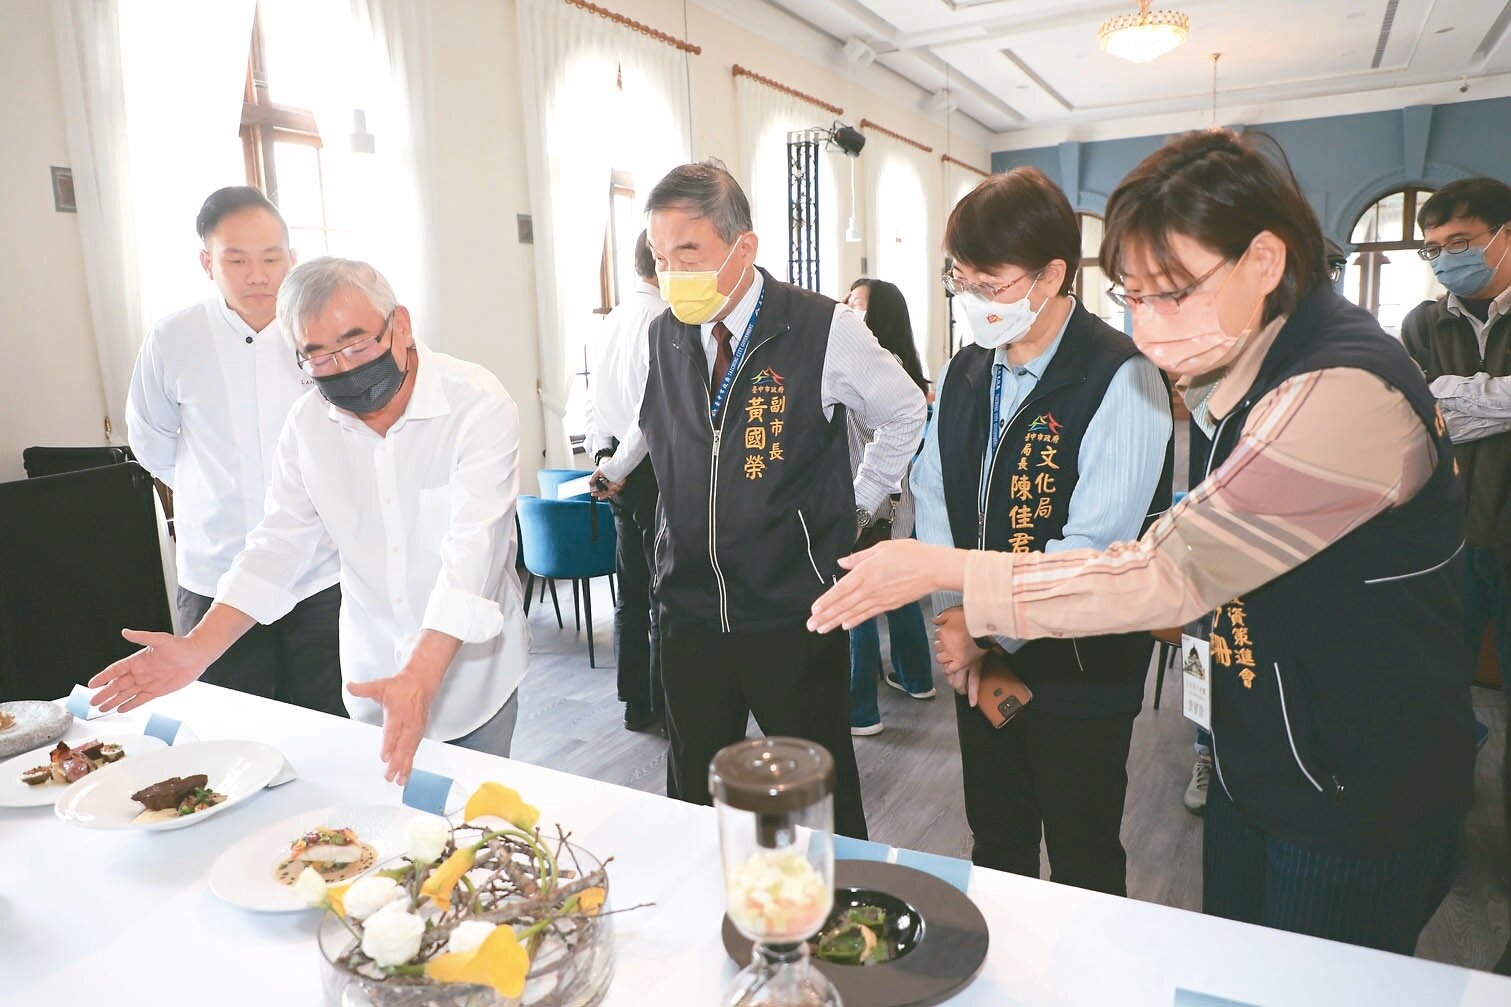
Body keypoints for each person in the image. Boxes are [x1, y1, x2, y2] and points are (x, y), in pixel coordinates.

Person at [809, 129, 1476, 956]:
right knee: (1227, 967)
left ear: (1263, 261)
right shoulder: (1242, 369)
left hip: (1349, 784)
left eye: (1170, 294)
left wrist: (943, 575)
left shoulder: (1338, 389)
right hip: (1263, 754)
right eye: (1132, 295)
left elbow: (1169, 570)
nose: (1145, 326)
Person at [91, 258, 530, 784]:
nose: (343, 368)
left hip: (470, 682)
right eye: (318, 357)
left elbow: (473, 555)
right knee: (388, 837)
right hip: (372, 675)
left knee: (470, 834)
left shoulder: (476, 404)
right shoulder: (307, 426)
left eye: (357, 345)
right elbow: (279, 546)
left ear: (402, 326)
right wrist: (196, 650)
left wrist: (420, 674)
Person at [592, 162, 926, 839]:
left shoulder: (821, 327)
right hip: (687, 603)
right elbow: (654, 418)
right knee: (692, 788)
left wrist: (855, 508)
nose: (670, 272)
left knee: (817, 790)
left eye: (688, 252)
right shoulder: (666, 330)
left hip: (790, 605)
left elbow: (904, 411)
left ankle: (839, 914)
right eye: (659, 256)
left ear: (743, 247)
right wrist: (616, 464)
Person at [909, 167, 1174, 896]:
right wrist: (953, 620)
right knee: (995, 838)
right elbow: (932, 493)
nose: (971, 301)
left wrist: (982, 630)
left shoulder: (1122, 378)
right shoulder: (966, 369)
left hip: (1078, 673)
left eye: (988, 285)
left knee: (1083, 853)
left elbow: (1089, 552)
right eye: (958, 281)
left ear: (1052, 274)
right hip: (978, 650)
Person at [125, 187, 344, 716]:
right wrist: (212, 495)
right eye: (237, 259)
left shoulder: (321, 331)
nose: (258, 275)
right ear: (207, 262)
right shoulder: (174, 337)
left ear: (291, 258)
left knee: (332, 725)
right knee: (232, 726)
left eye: (272, 258)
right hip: (215, 574)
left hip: (319, 570)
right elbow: (151, 439)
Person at [1400, 177, 1511, 975]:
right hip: (1442, 540)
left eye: (1461, 243)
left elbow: (1447, 403)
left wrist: (1459, 398)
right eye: (1434, 249)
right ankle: (1431, 827)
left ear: (1503, 236)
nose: (1447, 260)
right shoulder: (1419, 321)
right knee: (1429, 689)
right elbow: (1417, 411)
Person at [842, 279, 936, 737]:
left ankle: (860, 710)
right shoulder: (908, 371)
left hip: (871, 499)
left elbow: (867, 443)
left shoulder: (873, 372)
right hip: (901, 503)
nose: (846, 311)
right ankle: (916, 678)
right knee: (897, 591)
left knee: (857, 599)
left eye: (856, 304)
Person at [585, 230, 667, 732]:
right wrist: (616, 467)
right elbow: (652, 412)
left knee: (630, 592)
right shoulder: (662, 320)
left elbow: (597, 402)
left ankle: (635, 701)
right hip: (649, 471)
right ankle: (661, 699)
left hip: (616, 468)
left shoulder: (611, 320)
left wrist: (603, 458)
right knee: (663, 595)